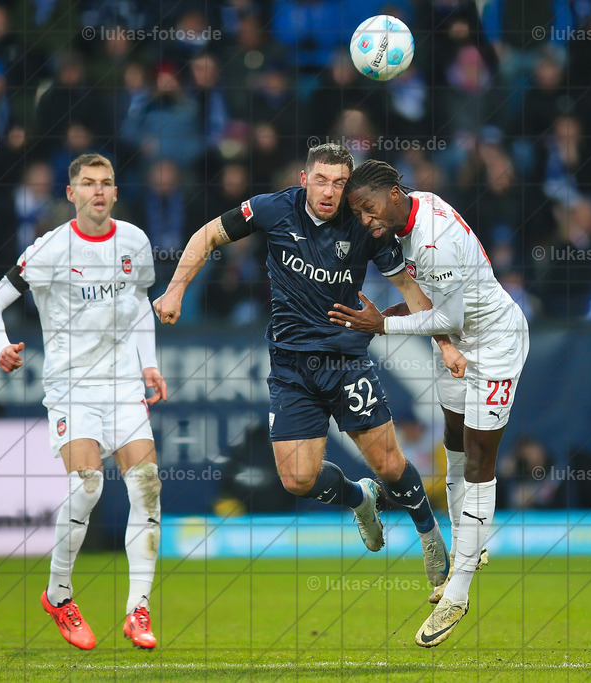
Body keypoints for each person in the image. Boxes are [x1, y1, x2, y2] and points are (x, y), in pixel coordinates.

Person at [152, 144, 453, 590]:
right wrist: (175, 290)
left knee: (390, 465)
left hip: (346, 360)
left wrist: (445, 345)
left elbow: (411, 290)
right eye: (321, 180)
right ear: (303, 178)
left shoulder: (366, 226)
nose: (329, 191)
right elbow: (208, 235)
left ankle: (429, 534)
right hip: (292, 366)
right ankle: (358, 497)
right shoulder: (273, 209)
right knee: (297, 479)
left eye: (339, 183)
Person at [329, 160, 530, 648]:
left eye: (368, 208)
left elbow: (445, 313)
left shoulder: (435, 240)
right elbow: (434, 307)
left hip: (495, 345)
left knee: (481, 462)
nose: (365, 219)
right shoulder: (418, 209)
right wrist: (395, 313)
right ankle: (470, 545)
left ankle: (457, 591)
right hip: (458, 341)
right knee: (456, 449)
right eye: (357, 212)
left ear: (395, 194)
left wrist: (383, 326)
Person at [0, 154, 166, 651]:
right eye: (88, 184)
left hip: (123, 385)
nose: (98, 191)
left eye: (106, 183)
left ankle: (138, 610)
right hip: (72, 388)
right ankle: (59, 594)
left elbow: (140, 305)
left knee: (146, 486)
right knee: (87, 487)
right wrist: (1, 348)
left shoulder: (135, 242)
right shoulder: (48, 250)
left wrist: (150, 364)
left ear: (116, 192)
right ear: (71, 194)